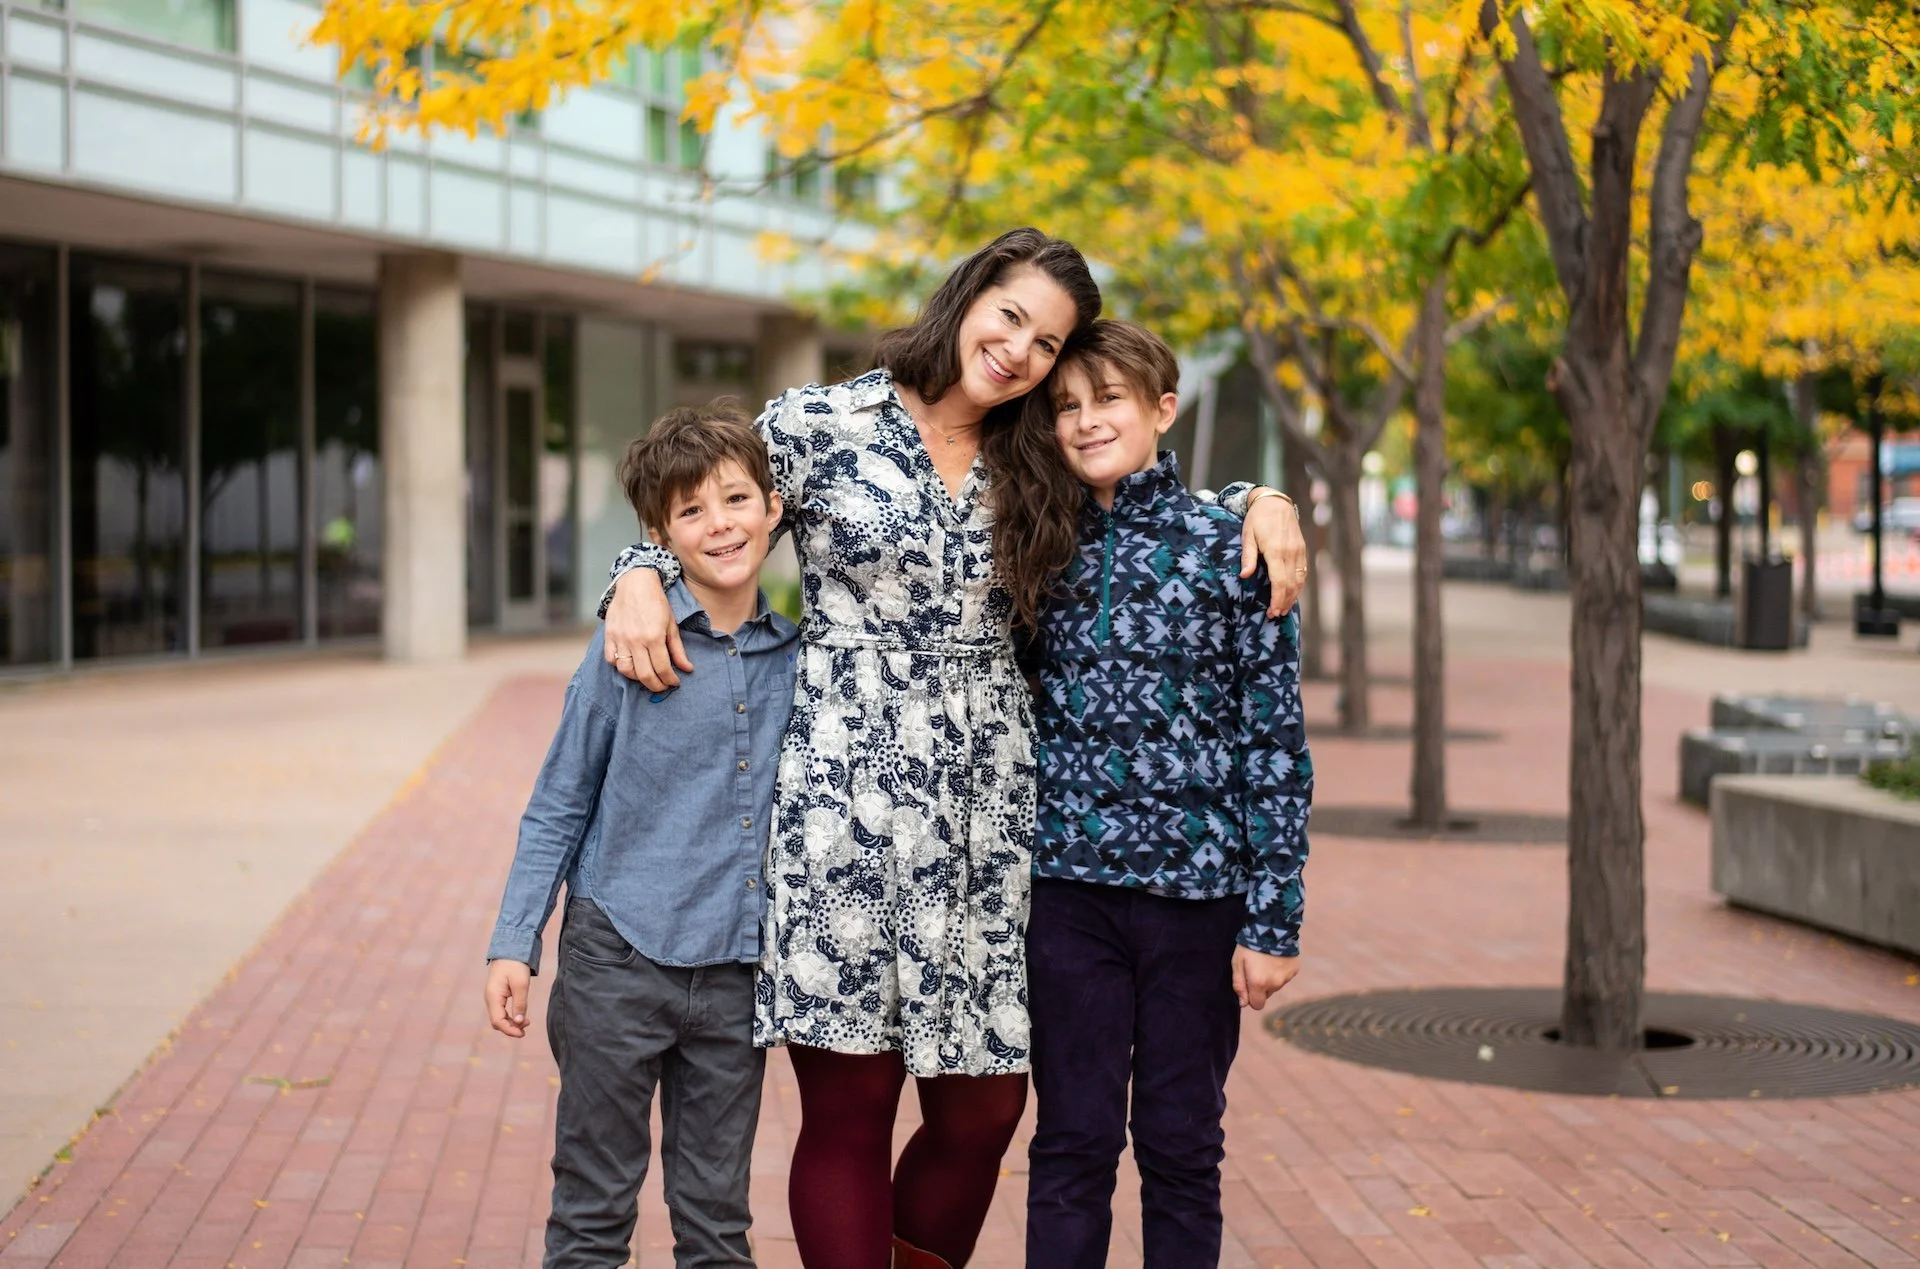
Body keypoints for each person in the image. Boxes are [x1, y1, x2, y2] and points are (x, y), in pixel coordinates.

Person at [597, 229, 1311, 1269]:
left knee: (983, 1111)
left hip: (992, 813)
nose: (1021, 348)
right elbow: (707, 504)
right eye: (1011, 314)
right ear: (971, 296)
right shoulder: (822, 423)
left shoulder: (1043, 456)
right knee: (850, 1106)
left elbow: (1162, 501)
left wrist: (1267, 501)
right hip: (844, 798)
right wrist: (634, 572)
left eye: (1048, 340)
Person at [1021, 321, 1312, 1268]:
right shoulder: (1037, 546)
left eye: (1108, 399)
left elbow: (1273, 741)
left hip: (1198, 905)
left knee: (1182, 1147)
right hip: (1068, 899)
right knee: (1072, 1144)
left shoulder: (1233, 549)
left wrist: (1275, 918)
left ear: (1162, 408)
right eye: (1066, 406)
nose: (1086, 420)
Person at [483, 403, 799, 1268]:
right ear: (660, 532)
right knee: (591, 1216)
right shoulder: (625, 645)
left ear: (774, 508)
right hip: (616, 964)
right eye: (691, 510)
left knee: (716, 1224)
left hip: (736, 975)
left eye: (737, 499)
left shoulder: (805, 659)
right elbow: (559, 798)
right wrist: (515, 941)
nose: (720, 524)